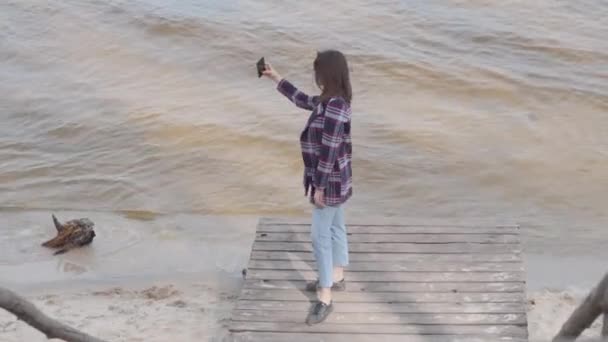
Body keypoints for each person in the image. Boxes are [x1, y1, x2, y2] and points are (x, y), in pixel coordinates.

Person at [261, 50, 353, 325]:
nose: (315, 77)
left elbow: (329, 150)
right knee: (336, 226)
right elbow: (302, 99)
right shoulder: (332, 101)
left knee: (319, 236)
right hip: (338, 179)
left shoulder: (335, 107)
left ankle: (325, 296)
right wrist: (275, 77)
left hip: (330, 182)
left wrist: (320, 187)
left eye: (317, 71)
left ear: (326, 73)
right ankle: (337, 275)